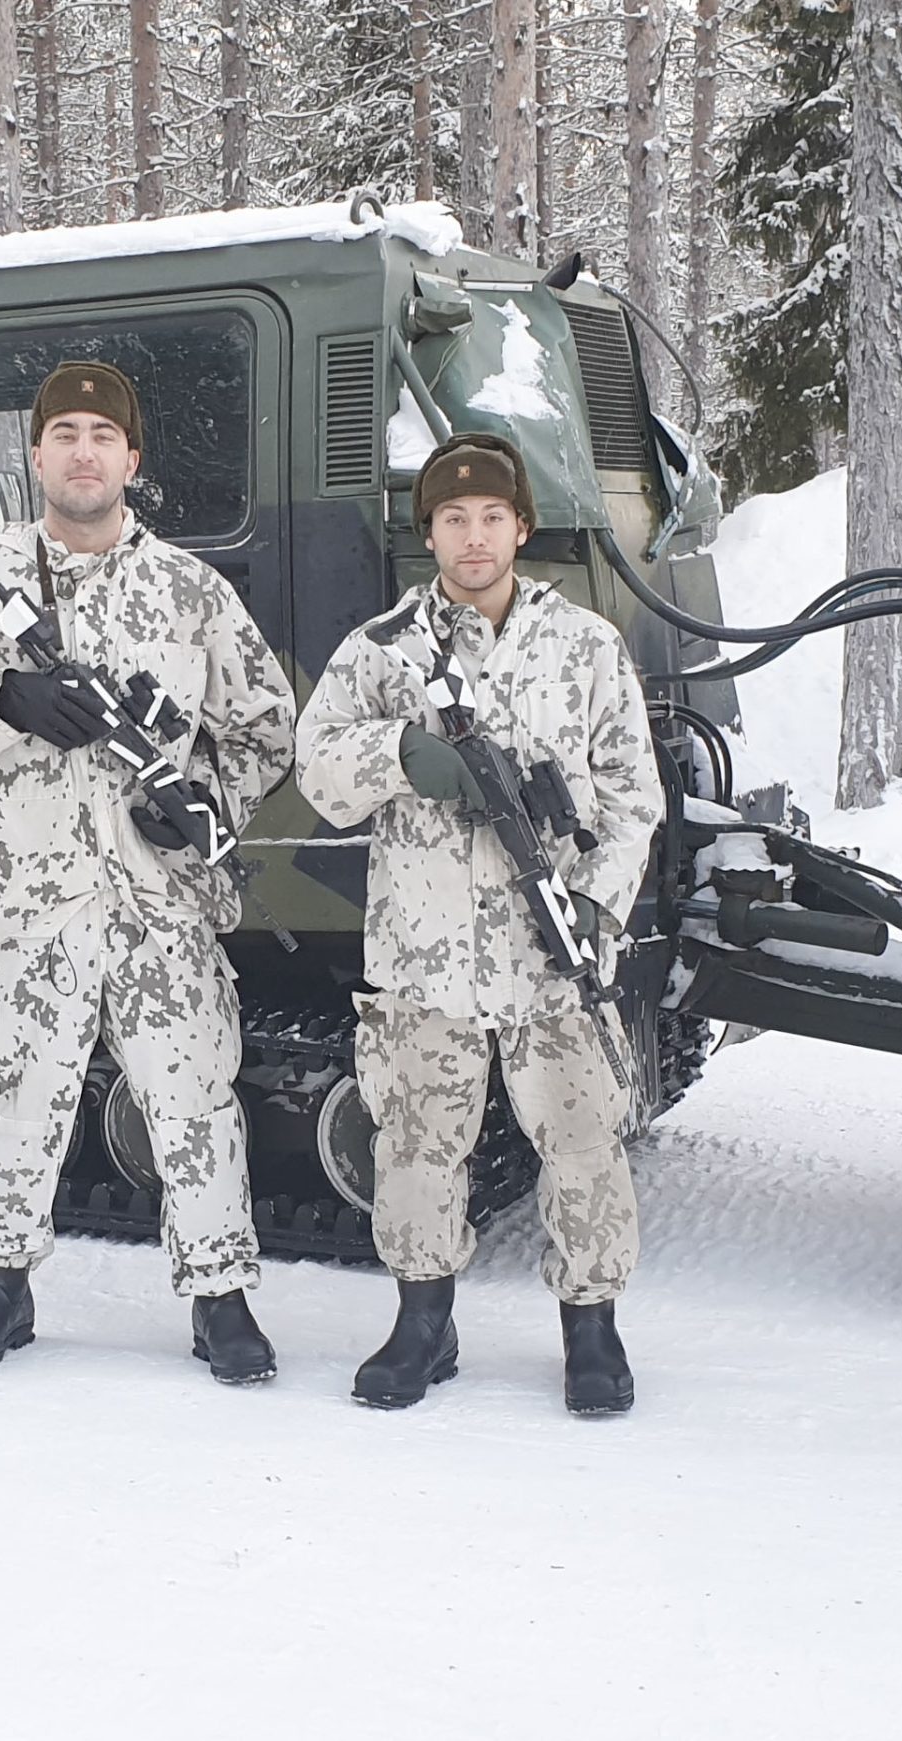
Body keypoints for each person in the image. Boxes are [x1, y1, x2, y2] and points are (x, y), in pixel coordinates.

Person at [0, 360, 296, 1383]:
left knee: (194, 1099)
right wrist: (3, 702)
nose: (81, 451)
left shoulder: (190, 592)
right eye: (63, 433)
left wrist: (198, 803)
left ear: (130, 460)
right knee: (11, 1097)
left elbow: (265, 728)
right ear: (36, 456)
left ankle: (219, 1295)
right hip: (23, 897)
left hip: (158, 903)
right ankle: (0, 1286)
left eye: (101, 437)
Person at [295, 431, 661, 1415]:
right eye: (453, 519)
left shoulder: (582, 645)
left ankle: (592, 1325)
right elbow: (317, 773)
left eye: (491, 517)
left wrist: (596, 897)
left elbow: (634, 797)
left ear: (521, 527)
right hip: (424, 949)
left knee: (583, 1141)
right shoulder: (380, 651)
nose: (472, 536)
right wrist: (404, 755)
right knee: (415, 1144)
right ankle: (424, 1321)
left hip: (554, 946)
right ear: (430, 534)